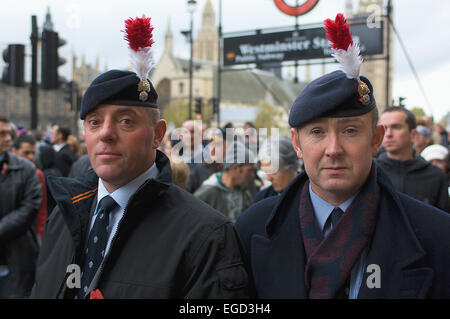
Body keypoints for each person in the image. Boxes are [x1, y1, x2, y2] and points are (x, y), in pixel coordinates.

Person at [30, 16, 250, 299]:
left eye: (125, 121)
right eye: (94, 123)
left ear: (158, 134)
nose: (105, 134)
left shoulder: (206, 235)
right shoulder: (63, 216)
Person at [235, 13, 450, 299]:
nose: (333, 148)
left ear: (376, 140)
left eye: (350, 131)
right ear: (296, 144)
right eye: (317, 133)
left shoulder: (438, 235)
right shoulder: (251, 228)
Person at [0, 116, 42, 298]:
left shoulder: (26, 169)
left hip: (17, 255)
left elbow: (31, 206)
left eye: (9, 133)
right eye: (1, 134)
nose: (8, 138)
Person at [377, 107, 448, 211]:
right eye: (384, 128)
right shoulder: (370, 172)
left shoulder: (436, 176)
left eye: (396, 127)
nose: (388, 134)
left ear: (413, 134)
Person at [195, 141, 256, 222]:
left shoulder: (244, 193)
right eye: (249, 170)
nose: (252, 175)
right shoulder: (208, 192)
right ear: (235, 168)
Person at [11, 134, 47, 239]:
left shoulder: (37, 174)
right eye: (26, 153)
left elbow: (41, 210)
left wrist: (40, 235)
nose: (31, 157)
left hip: (27, 236)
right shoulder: (5, 171)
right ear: (14, 151)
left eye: (33, 153)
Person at [254, 135, 299, 203]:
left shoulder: (312, 195)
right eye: (266, 171)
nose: (268, 178)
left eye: (273, 172)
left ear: (291, 167)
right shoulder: (262, 199)